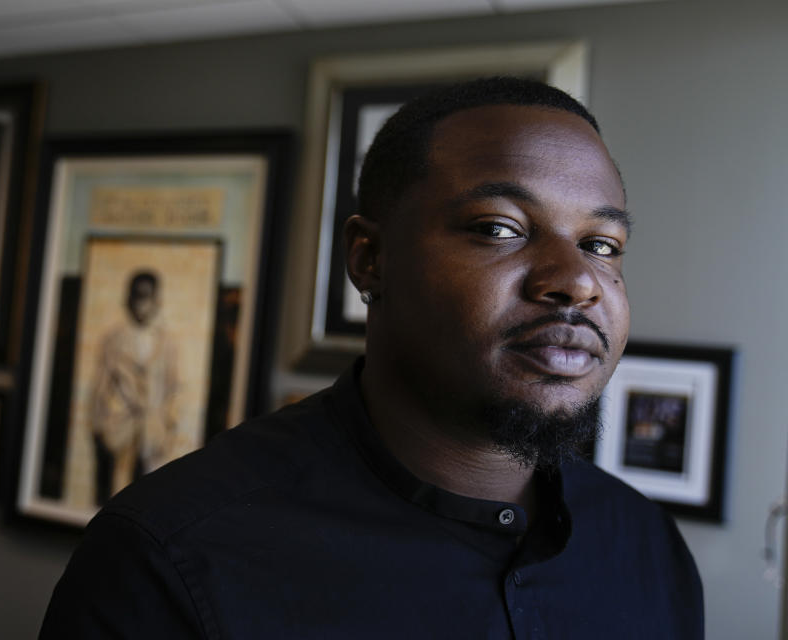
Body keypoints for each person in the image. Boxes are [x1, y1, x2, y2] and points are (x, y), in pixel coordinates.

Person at [40, 77, 703, 638]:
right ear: (369, 259)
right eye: (499, 228)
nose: (577, 280)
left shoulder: (648, 549)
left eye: (604, 244)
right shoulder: (168, 559)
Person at [88, 271, 179, 505]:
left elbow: (173, 387)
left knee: (145, 493)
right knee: (109, 488)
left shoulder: (166, 343)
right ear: (128, 299)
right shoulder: (114, 339)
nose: (141, 304)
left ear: (156, 301)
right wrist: (99, 425)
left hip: (152, 428)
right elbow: (100, 385)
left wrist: (168, 424)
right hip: (119, 425)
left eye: (147, 298)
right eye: (136, 297)